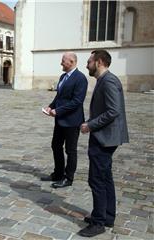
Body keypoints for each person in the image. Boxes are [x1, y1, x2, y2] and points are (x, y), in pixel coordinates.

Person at [78, 50, 129, 237]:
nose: (87, 65)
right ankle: (107, 216)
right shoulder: (105, 80)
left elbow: (113, 111)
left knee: (96, 179)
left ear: (99, 62)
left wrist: (90, 125)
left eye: (89, 61)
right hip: (105, 137)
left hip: (105, 138)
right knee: (105, 177)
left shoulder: (109, 81)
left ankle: (99, 222)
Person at [41, 52, 88, 188]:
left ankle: (69, 178)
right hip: (60, 120)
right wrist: (50, 107)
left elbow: (77, 101)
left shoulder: (80, 78)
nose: (61, 63)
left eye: (63, 61)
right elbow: (59, 97)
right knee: (56, 145)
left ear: (72, 62)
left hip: (72, 121)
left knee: (70, 150)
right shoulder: (63, 76)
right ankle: (58, 173)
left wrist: (58, 111)